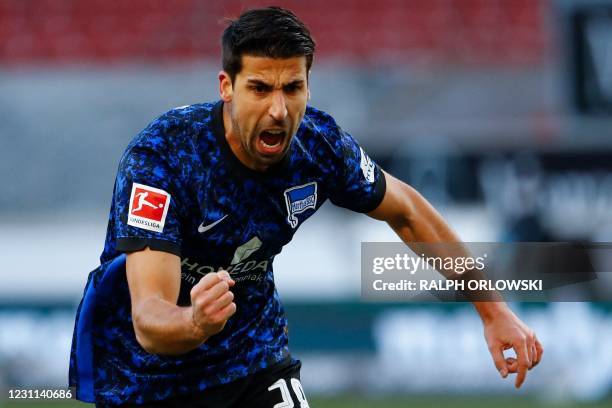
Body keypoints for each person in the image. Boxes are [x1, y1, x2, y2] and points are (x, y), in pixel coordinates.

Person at [69, 6, 543, 407]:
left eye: (292, 88)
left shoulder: (320, 146)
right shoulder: (165, 157)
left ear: (308, 87)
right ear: (226, 86)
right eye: (259, 88)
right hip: (143, 379)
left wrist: (492, 309)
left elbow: (407, 210)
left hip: (251, 358)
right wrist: (195, 321)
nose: (278, 110)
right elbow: (149, 318)